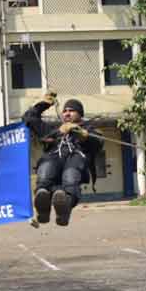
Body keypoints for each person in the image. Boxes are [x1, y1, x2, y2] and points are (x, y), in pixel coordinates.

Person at [22, 93, 103, 226]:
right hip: (53, 164)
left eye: (72, 111)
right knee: (46, 167)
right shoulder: (54, 130)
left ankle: (64, 207)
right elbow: (28, 119)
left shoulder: (89, 129)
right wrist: (43, 104)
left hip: (75, 163)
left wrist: (82, 134)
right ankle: (43, 205)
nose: (67, 113)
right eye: (65, 111)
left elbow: (98, 142)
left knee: (71, 174)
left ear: (80, 114)